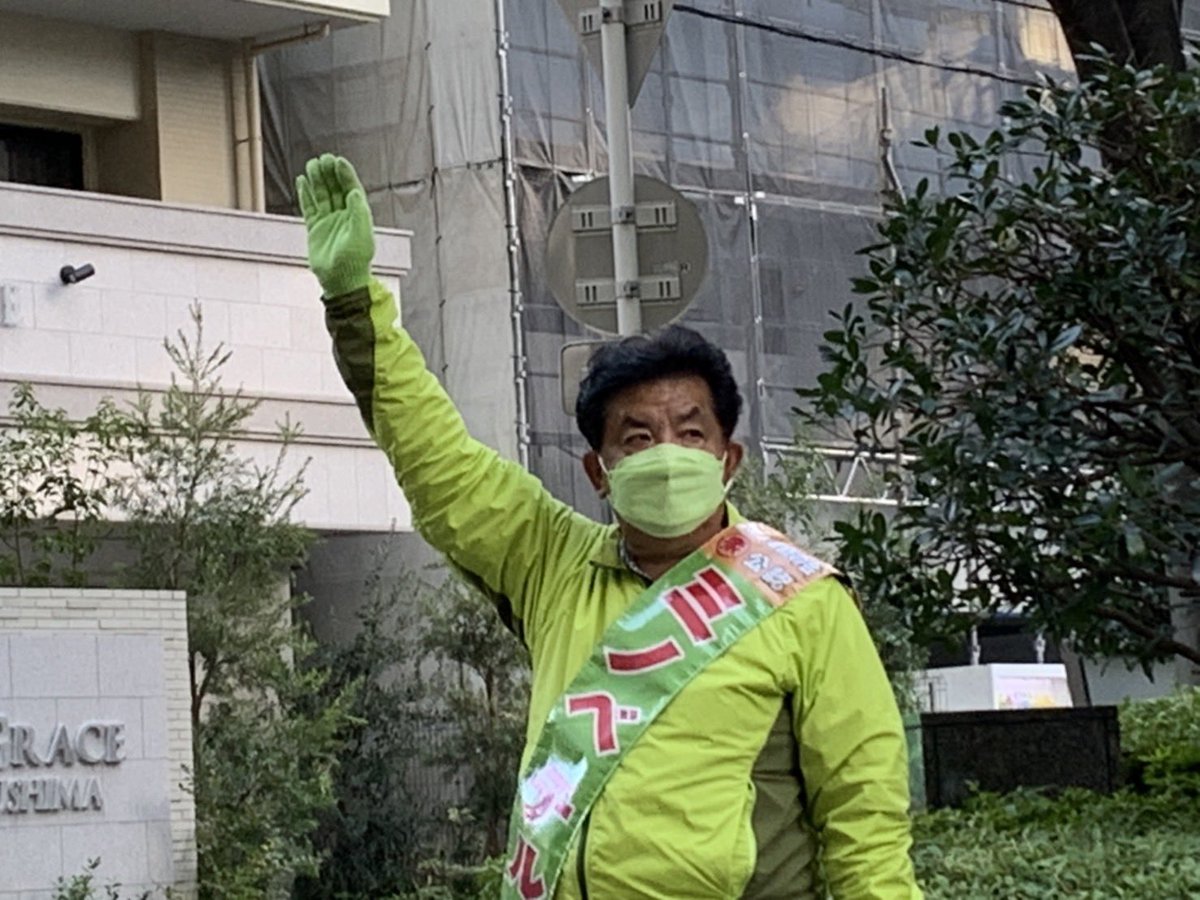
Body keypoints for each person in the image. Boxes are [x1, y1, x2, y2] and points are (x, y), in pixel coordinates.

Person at [297, 153, 922, 900]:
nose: (667, 453)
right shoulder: (552, 565)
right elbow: (437, 459)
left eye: (690, 432)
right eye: (637, 436)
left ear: (729, 459)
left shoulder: (804, 602)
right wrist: (355, 304)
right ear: (599, 471)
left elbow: (865, 822)